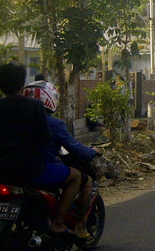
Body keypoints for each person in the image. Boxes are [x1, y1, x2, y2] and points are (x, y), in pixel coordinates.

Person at [0, 64, 84, 238]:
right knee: (76, 176)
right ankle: (59, 223)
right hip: (32, 170)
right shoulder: (34, 107)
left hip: (3, 172)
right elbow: (44, 140)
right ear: (22, 84)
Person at [23, 80, 99, 240]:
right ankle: (63, 223)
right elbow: (76, 149)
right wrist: (93, 151)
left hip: (15, 170)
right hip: (42, 169)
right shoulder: (53, 123)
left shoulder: (17, 118)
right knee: (79, 178)